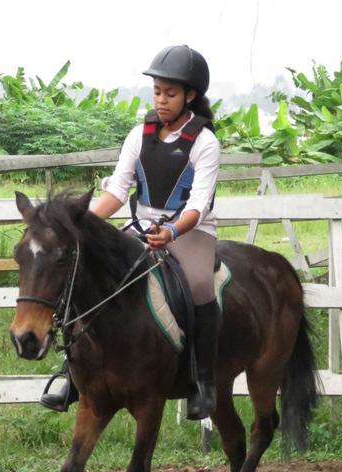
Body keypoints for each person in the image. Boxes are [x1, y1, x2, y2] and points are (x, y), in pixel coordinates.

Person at [40, 45, 221, 421]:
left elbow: (198, 205)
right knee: (88, 274)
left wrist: (171, 231)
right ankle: (72, 377)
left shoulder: (205, 143)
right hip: (140, 226)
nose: (161, 100)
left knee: (201, 285)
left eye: (170, 93)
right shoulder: (139, 135)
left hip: (190, 231)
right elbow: (116, 192)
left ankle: (202, 381)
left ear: (189, 95)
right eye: (157, 92)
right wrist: (78, 224)